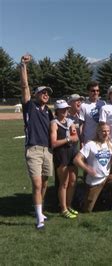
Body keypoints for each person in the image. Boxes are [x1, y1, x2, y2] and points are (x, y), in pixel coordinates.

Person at [19, 54, 54, 229]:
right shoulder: (29, 106)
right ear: (36, 94)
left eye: (48, 93)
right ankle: (39, 218)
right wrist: (23, 66)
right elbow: (24, 86)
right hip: (33, 149)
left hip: (47, 150)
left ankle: (39, 210)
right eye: (43, 92)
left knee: (45, 182)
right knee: (37, 183)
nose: (46, 94)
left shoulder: (49, 111)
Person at [74, 123, 112, 212]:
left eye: (108, 131)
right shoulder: (90, 144)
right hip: (94, 181)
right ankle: (80, 194)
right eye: (103, 131)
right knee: (87, 210)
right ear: (98, 132)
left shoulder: (110, 145)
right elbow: (77, 160)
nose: (106, 133)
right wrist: (87, 168)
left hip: (106, 178)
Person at [50, 100, 80, 218]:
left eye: (66, 109)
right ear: (57, 111)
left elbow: (76, 137)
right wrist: (68, 139)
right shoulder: (54, 123)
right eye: (63, 109)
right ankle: (63, 208)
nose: (66, 111)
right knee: (64, 182)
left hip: (72, 152)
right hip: (61, 154)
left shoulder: (70, 121)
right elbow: (54, 143)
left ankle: (69, 205)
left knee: (73, 181)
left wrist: (73, 138)